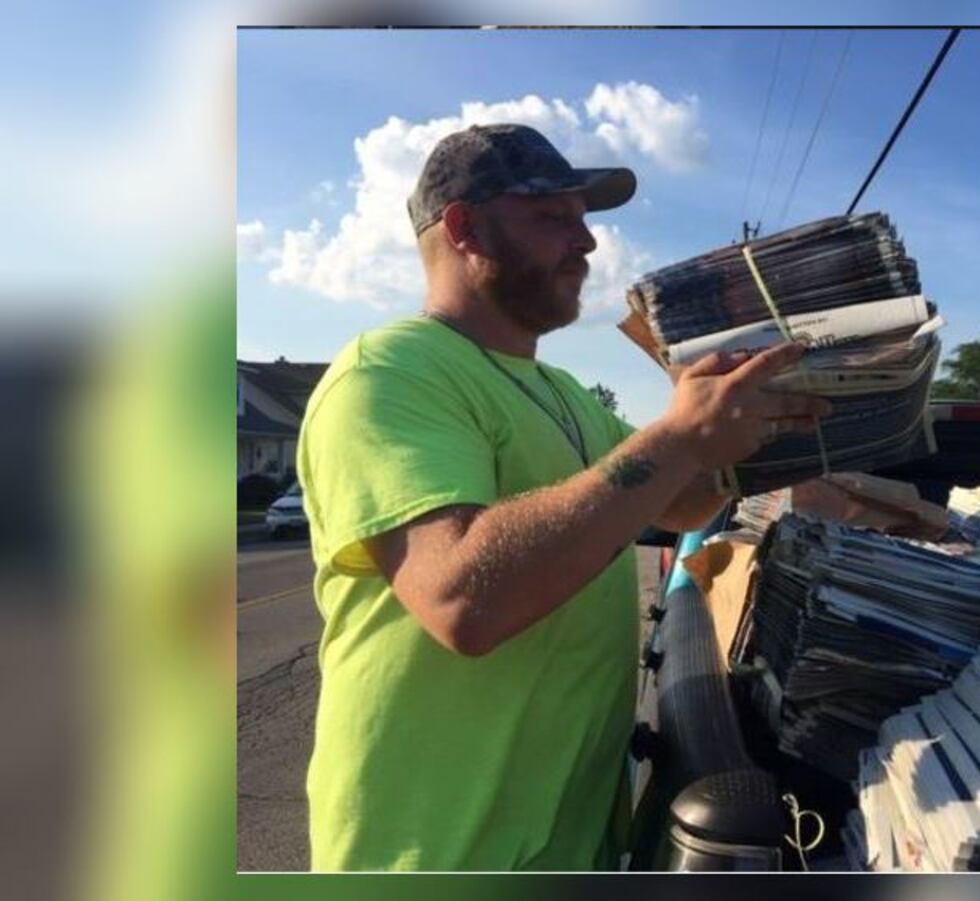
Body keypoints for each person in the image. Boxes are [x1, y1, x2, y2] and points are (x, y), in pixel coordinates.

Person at [296, 123, 830, 871]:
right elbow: (459, 598)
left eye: (585, 220)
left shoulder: (564, 393)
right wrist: (678, 436)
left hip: (565, 845)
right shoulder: (386, 375)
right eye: (553, 218)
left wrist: (751, 426)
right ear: (463, 226)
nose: (586, 243)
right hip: (430, 854)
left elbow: (672, 505)